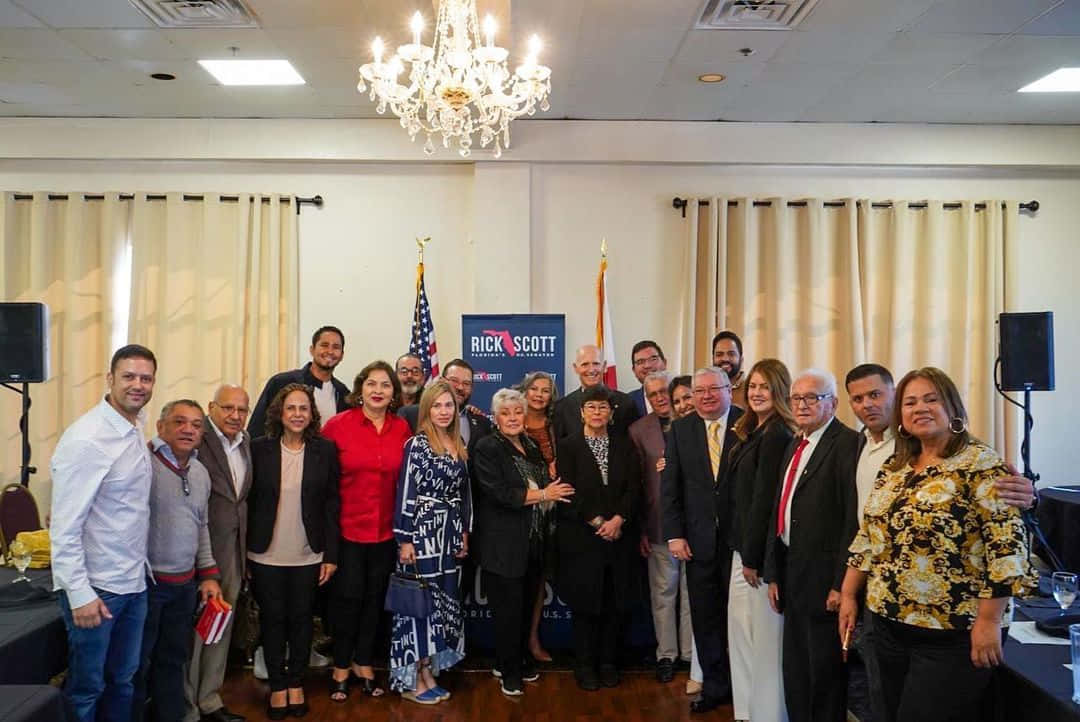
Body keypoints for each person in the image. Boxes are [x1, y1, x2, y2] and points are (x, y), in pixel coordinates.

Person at [839, 367, 1038, 722]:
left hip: (952, 635)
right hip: (886, 626)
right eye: (911, 402)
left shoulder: (981, 464)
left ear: (952, 407)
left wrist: (990, 621)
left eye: (931, 399)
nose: (920, 408)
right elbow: (869, 535)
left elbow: (1006, 549)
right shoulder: (895, 466)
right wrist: (850, 595)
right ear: (900, 415)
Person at [50, 344, 158, 722]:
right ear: (110, 379)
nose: (138, 385)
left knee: (123, 682)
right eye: (129, 376)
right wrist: (79, 594)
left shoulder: (133, 427)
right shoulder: (87, 438)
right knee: (86, 690)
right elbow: (64, 525)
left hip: (134, 583)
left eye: (146, 378)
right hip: (97, 590)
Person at [764, 368, 860, 722]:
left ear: (832, 403)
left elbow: (851, 520)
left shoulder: (848, 444)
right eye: (796, 398)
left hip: (826, 579)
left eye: (812, 398)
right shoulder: (795, 441)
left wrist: (841, 584)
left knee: (824, 672)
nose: (801, 405)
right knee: (797, 667)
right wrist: (774, 572)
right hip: (792, 569)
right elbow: (781, 508)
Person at [472, 388, 575, 696]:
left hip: (533, 542)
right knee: (507, 612)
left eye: (518, 412)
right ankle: (508, 671)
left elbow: (543, 480)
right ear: (496, 417)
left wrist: (550, 487)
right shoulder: (487, 447)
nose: (514, 418)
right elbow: (500, 493)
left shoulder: (530, 444)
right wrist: (545, 494)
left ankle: (514, 661)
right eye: (506, 413)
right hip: (501, 545)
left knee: (525, 607)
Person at [247, 384, 340, 719]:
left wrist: (331, 554)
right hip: (265, 554)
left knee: (302, 621)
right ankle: (277, 686)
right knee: (273, 621)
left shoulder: (325, 450)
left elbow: (332, 505)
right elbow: (249, 502)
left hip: (308, 554)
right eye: (291, 408)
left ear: (311, 414)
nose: (298, 414)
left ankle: (297, 681)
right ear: (280, 413)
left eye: (304, 408)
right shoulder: (258, 449)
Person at [320, 361, 412, 700]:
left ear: (393, 393)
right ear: (360, 390)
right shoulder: (336, 427)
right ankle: (341, 664)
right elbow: (323, 483)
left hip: (387, 533)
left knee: (375, 600)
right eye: (371, 384)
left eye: (385, 385)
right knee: (347, 600)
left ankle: (363, 661)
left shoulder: (402, 429)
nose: (378, 390)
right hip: (346, 531)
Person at [661, 366, 744, 714]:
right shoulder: (681, 430)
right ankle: (715, 687)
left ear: (729, 389)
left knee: (740, 622)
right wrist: (675, 534)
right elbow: (672, 489)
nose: (707, 396)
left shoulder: (747, 423)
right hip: (696, 543)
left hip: (740, 544)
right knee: (707, 620)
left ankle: (746, 689)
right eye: (700, 391)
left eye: (715, 388)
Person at [135, 400, 222, 722]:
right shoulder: (142, 464)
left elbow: (201, 525)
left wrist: (209, 573)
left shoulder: (200, 472)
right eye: (180, 422)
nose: (189, 430)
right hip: (146, 585)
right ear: (161, 427)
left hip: (185, 586)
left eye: (197, 425)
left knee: (174, 661)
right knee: (137, 665)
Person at [389, 380, 473, 704]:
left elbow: (464, 495)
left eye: (448, 405)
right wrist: (404, 538)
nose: (443, 411)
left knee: (438, 607)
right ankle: (411, 680)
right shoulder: (416, 445)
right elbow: (406, 491)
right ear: (427, 408)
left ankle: (428, 672)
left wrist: (463, 531)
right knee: (417, 608)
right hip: (421, 536)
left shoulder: (458, 443)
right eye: (437, 405)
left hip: (448, 539)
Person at [557, 385, 642, 690]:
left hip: (619, 537)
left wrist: (618, 520)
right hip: (583, 539)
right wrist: (597, 522)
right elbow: (567, 491)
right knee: (586, 607)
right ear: (581, 412)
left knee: (614, 605)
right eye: (591, 407)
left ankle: (608, 663)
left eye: (602, 408)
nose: (597, 413)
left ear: (610, 412)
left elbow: (635, 488)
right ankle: (585, 665)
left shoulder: (625, 444)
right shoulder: (567, 446)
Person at [726, 359, 795, 722]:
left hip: (756, 557)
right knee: (741, 636)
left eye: (764, 387)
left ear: (779, 390)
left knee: (763, 642)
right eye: (752, 386)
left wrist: (752, 558)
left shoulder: (778, 434)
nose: (755, 393)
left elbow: (764, 504)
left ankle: (767, 714)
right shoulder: (753, 431)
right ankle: (747, 711)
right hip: (740, 549)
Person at [185, 385, 251, 722]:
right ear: (211, 407)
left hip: (233, 555)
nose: (235, 416)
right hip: (200, 554)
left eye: (242, 410)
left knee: (219, 628)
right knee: (195, 632)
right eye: (228, 408)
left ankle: (210, 699)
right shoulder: (197, 439)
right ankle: (187, 707)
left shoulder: (246, 442)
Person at [629, 371, 693, 684]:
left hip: (695, 526)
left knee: (691, 594)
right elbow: (637, 484)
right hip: (657, 525)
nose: (660, 398)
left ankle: (691, 656)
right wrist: (641, 527)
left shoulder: (696, 423)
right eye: (652, 394)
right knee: (663, 593)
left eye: (663, 391)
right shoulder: (638, 431)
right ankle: (666, 654)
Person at [519, 370, 560, 663]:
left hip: (548, 514)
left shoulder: (556, 426)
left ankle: (533, 639)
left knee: (537, 583)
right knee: (514, 582)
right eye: (534, 388)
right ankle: (512, 645)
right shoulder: (511, 420)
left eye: (545, 390)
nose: (539, 395)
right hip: (516, 513)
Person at [248, 326, 349, 436]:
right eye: (324, 345)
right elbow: (256, 429)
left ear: (342, 355)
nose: (330, 351)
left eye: (336, 347)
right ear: (312, 350)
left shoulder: (343, 393)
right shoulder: (282, 382)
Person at [400, 359, 493, 455]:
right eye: (454, 381)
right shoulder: (410, 415)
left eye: (466, 383)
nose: (460, 387)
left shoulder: (483, 424)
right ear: (441, 380)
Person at [553, 344, 640, 441]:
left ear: (604, 366)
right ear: (575, 368)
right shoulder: (562, 408)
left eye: (596, 364)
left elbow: (635, 442)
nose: (591, 370)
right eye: (585, 364)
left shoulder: (625, 403)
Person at [627, 340, 667, 416]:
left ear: (664, 363)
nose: (647, 365)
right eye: (640, 362)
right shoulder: (627, 401)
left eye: (653, 359)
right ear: (634, 370)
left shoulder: (681, 394)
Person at [712, 331, 747, 410]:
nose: (725, 359)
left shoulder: (752, 389)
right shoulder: (705, 390)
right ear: (713, 359)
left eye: (731, 354)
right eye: (719, 355)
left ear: (741, 359)